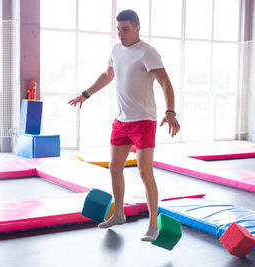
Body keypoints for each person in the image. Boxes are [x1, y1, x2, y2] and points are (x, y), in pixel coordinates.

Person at [68, 9, 180, 242]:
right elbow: (108, 75)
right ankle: (119, 214)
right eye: (118, 28)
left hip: (144, 121)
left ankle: (152, 226)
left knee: (144, 172)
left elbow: (165, 82)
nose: (120, 33)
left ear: (137, 28)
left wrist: (170, 111)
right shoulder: (116, 50)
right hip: (121, 121)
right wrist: (85, 94)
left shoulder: (147, 52)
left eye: (125, 29)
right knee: (114, 167)